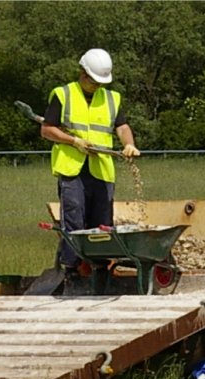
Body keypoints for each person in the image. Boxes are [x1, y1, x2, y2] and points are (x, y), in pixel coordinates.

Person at [40, 48, 140, 291]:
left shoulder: (111, 98)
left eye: (99, 82)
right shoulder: (63, 95)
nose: (96, 85)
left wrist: (129, 144)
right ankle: (73, 272)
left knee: (103, 224)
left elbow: (122, 125)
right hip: (72, 168)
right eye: (92, 80)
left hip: (101, 168)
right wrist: (73, 141)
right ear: (82, 73)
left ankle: (101, 272)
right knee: (74, 220)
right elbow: (46, 130)